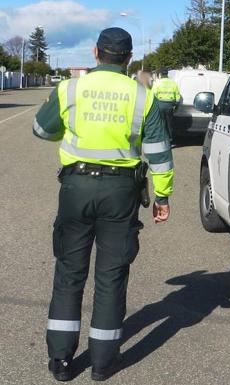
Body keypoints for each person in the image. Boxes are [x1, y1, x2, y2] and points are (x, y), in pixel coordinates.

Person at [32, 27, 174, 382]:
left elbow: (41, 129)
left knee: (68, 274)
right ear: (128, 59)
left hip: (76, 187)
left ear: (96, 53)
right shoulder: (142, 96)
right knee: (111, 277)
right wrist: (162, 196)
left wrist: (70, 128)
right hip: (121, 192)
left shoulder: (71, 88)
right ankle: (102, 362)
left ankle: (62, 362)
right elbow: (159, 153)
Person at [152, 69, 180, 140]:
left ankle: (161, 138)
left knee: (161, 123)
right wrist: (176, 106)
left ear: (161, 74)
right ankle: (170, 139)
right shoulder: (173, 83)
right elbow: (177, 95)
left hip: (160, 105)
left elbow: (153, 94)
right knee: (169, 123)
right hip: (169, 106)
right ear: (167, 74)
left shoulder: (157, 83)